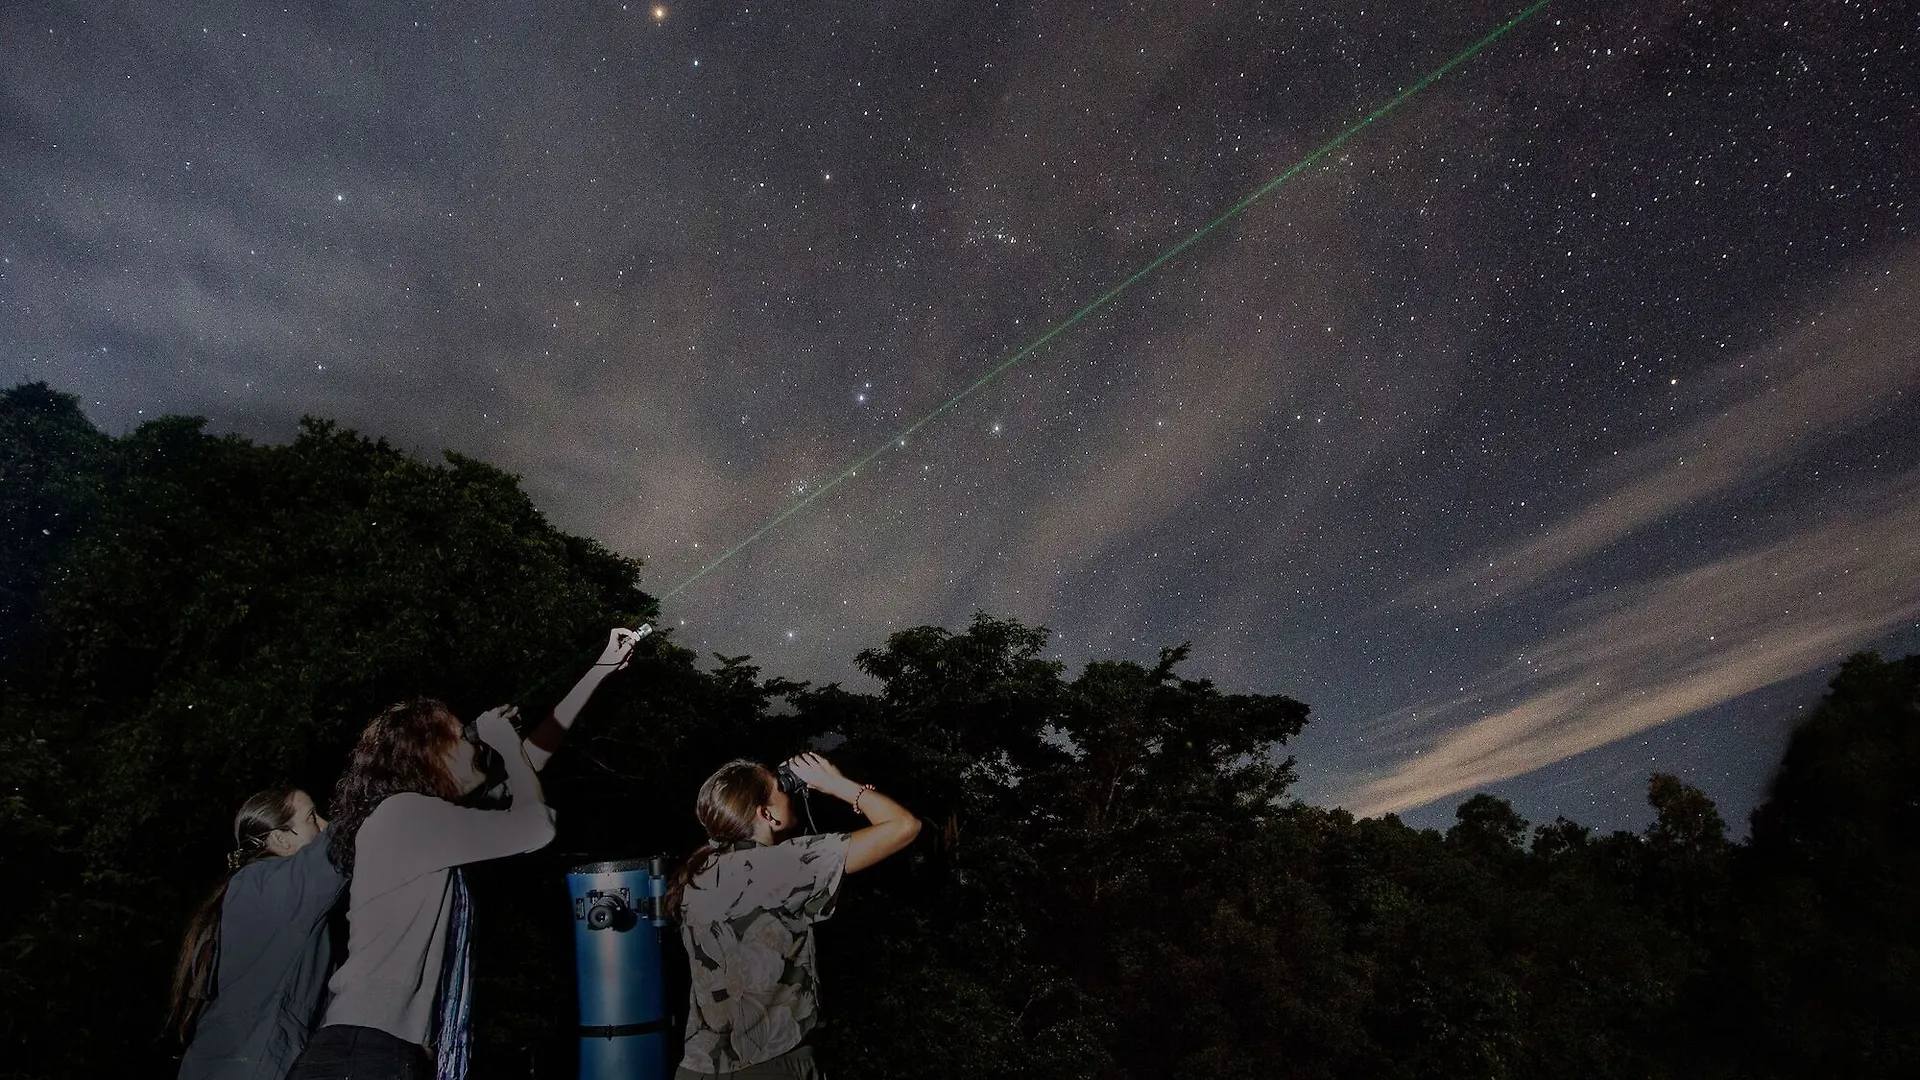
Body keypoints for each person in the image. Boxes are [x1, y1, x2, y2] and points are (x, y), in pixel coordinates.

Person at [286, 627, 641, 1080]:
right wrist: (505, 743)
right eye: (460, 736)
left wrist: (599, 670)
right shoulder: (403, 816)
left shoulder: (421, 820)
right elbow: (536, 824)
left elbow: (529, 763)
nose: (473, 744)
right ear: (426, 755)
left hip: (379, 1050)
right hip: (363, 1053)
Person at [666, 752, 921, 1079]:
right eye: (782, 789)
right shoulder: (784, 866)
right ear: (765, 814)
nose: (791, 794)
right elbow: (904, 826)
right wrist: (836, 784)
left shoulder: (697, 871)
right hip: (770, 1064)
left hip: (698, 1067)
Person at [170, 787, 341, 1080]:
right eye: (312, 817)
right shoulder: (265, 885)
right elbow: (339, 845)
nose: (323, 824)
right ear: (280, 839)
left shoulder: (254, 889)